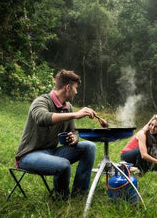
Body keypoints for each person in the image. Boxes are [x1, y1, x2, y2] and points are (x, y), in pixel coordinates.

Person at [15, 69, 101, 200]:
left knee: (89, 147)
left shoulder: (68, 107)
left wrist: (74, 138)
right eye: (75, 88)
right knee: (63, 164)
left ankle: (79, 195)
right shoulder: (41, 101)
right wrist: (75, 115)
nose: (76, 92)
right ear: (67, 87)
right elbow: (42, 118)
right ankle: (62, 199)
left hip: (52, 151)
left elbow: (74, 131)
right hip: (29, 155)